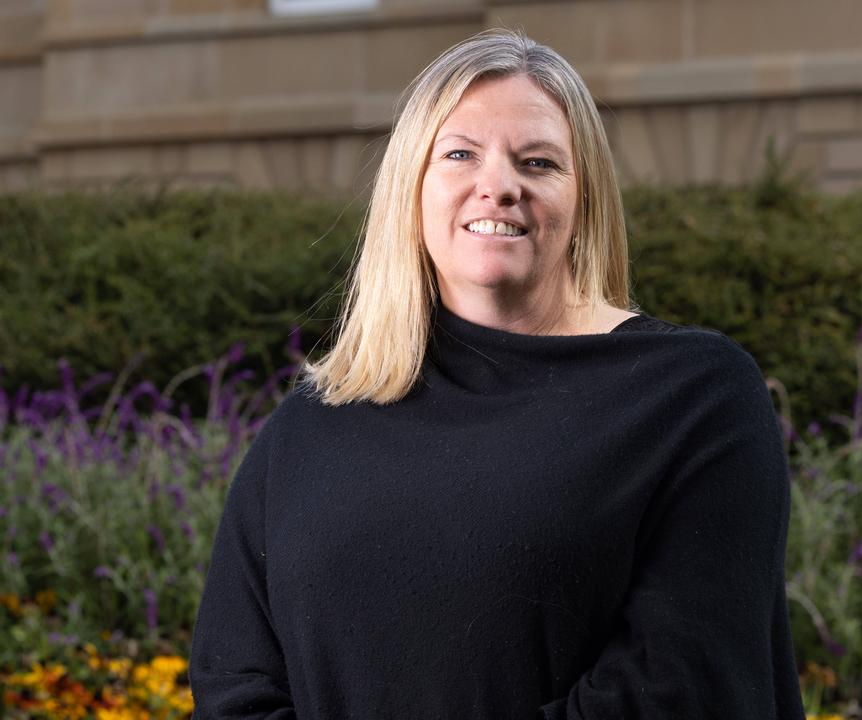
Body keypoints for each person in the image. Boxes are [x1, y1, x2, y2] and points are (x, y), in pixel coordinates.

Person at [188, 27, 806, 719]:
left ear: (585, 199)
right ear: (411, 189)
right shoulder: (313, 423)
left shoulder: (693, 400)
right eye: (459, 154)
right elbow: (232, 683)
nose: (499, 187)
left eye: (538, 163)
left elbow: (680, 686)